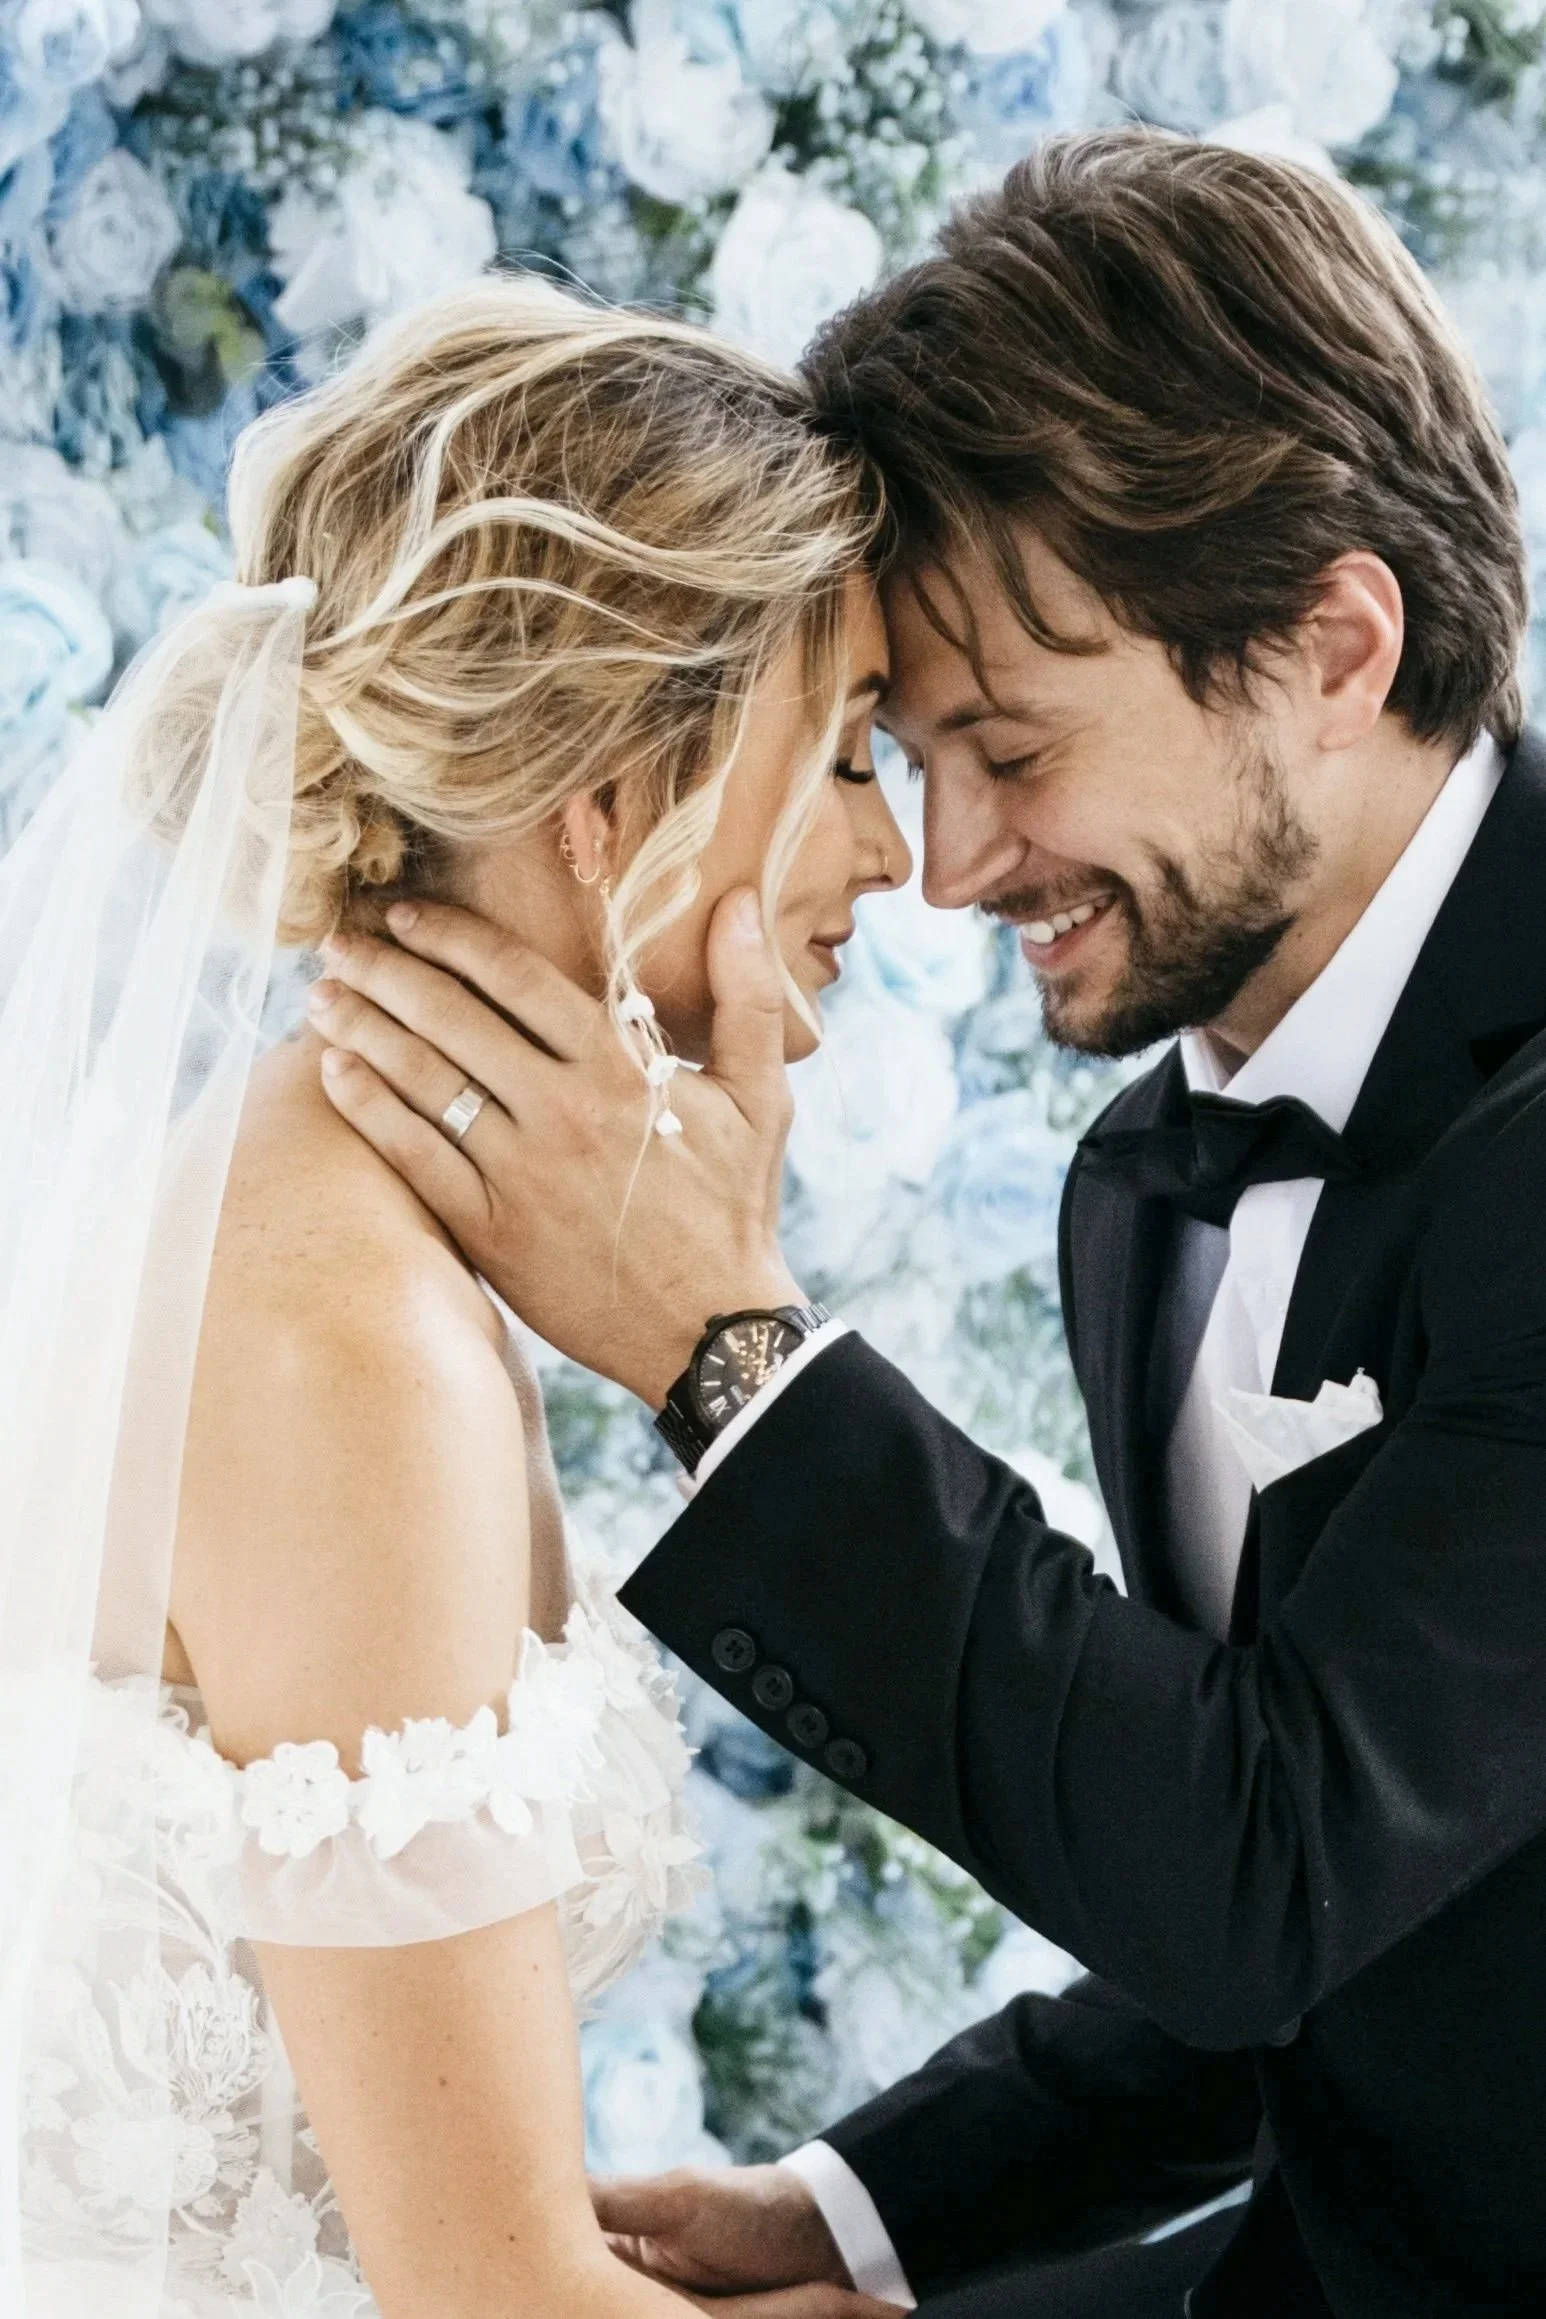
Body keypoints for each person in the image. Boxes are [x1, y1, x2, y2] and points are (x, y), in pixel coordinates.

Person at [311, 131, 1546, 2317]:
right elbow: (1340, 1917)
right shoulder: (1139, 1180)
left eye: (1010, 747)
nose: (951, 867)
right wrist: (857, 2205)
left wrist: (728, 1354)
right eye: (899, 753)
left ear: (1332, 648)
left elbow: (1266, 1867)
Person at [0, 272, 911, 2319]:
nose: (895, 852)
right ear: (617, 799)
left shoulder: (324, 1207)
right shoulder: (349, 1339)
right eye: (850, 747)